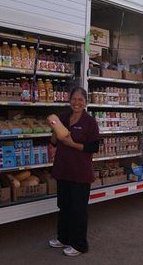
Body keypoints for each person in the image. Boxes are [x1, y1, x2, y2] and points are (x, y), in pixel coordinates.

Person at [48, 87, 100, 257]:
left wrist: (72, 144)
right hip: (63, 169)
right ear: (69, 100)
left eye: (80, 100)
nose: (76, 103)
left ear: (86, 102)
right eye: (74, 99)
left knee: (78, 209)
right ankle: (63, 238)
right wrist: (54, 131)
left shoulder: (90, 122)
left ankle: (79, 244)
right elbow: (54, 142)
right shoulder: (62, 117)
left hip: (80, 172)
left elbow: (94, 147)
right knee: (63, 206)